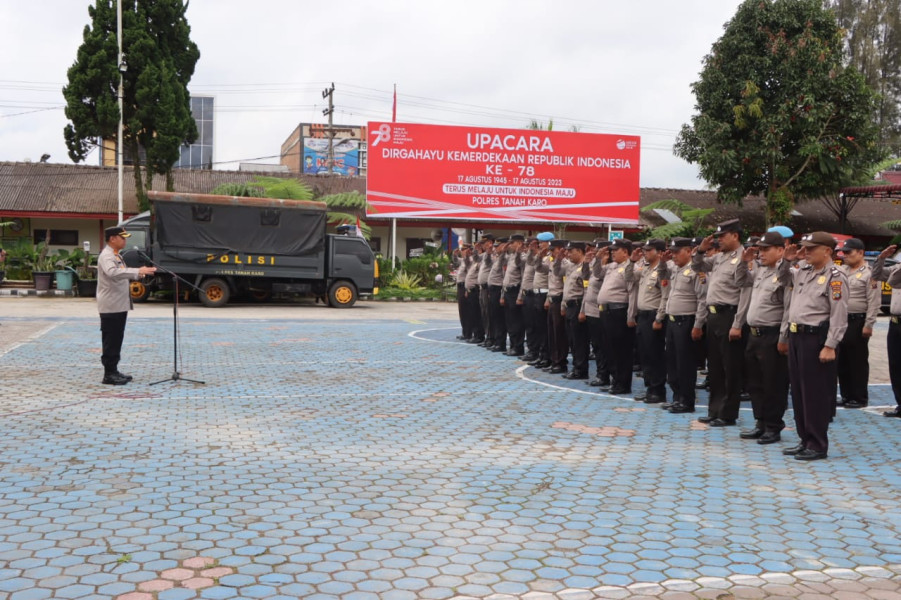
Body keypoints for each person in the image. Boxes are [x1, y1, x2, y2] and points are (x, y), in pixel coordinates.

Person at [783, 232, 848, 461]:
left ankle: (818, 444)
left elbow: (839, 314)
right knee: (799, 393)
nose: (806, 252)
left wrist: (830, 345)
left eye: (812, 248)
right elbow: (782, 279)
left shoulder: (835, 276)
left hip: (816, 340)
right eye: (805, 248)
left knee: (815, 394)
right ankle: (805, 440)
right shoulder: (802, 271)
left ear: (827, 251)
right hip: (796, 337)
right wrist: (788, 260)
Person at [693, 220, 751, 427]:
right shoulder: (719, 258)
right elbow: (697, 265)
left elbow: (745, 293)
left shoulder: (745, 258)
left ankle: (727, 414)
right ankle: (714, 410)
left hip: (730, 315)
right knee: (715, 367)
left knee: (730, 367)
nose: (719, 241)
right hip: (714, 316)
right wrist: (700, 250)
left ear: (735, 236)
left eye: (722, 237)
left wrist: (738, 323)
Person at [739, 231, 791, 444]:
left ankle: (773, 426)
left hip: (772, 335)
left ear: (780, 251)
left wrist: (783, 337)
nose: (761, 253)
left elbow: (788, 308)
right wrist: (743, 263)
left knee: (773, 384)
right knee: (755, 383)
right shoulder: (760, 271)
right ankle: (760, 422)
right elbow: (740, 281)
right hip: (754, 335)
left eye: (766, 249)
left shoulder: (787, 273)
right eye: (760, 249)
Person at [97, 226, 156, 385]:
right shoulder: (106, 256)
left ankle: (114, 370)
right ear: (112, 239)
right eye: (122, 237)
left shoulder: (117, 255)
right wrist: (137, 271)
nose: (125, 240)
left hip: (118, 304)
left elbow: (121, 273)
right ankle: (108, 374)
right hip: (111, 306)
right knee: (111, 339)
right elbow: (113, 273)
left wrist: (137, 275)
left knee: (117, 338)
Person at [660, 237, 708, 413]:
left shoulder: (697, 271)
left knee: (685, 364)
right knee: (671, 362)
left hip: (686, 321)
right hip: (672, 321)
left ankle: (687, 401)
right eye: (671, 252)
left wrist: (698, 325)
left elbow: (702, 300)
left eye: (676, 252)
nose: (673, 256)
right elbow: (661, 276)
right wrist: (663, 262)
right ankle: (677, 397)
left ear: (689, 251)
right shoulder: (674, 269)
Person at [836, 238, 880, 409]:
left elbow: (874, 301)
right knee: (843, 360)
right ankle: (846, 395)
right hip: (841, 320)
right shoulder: (842, 271)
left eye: (849, 252)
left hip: (857, 320)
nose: (845, 256)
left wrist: (869, 324)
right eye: (844, 253)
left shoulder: (870, 273)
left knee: (857, 361)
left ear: (861, 252)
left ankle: (859, 397)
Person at [595, 239, 637, 394]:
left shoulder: (630, 268)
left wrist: (631, 315)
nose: (612, 253)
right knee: (609, 349)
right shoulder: (612, 266)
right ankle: (615, 380)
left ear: (625, 252)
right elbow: (597, 274)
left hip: (619, 311)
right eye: (611, 250)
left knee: (621, 350)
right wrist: (599, 259)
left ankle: (623, 383)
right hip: (606, 311)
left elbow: (632, 293)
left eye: (615, 250)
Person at [630, 239, 668, 403]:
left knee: (655, 355)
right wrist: (631, 261)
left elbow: (665, 296)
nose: (645, 253)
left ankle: (658, 390)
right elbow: (629, 277)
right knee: (645, 354)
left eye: (649, 250)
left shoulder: (663, 270)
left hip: (654, 316)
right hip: (643, 315)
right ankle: (649, 388)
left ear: (659, 252)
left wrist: (659, 318)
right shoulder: (644, 268)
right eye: (644, 250)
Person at [871, 244, 901, 418]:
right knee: (896, 365)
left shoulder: (897, 271)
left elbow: (893, 281)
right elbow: (875, 276)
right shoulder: (896, 268)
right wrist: (881, 259)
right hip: (895, 322)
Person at [559, 241, 590, 379]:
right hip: (570, 305)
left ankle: (581, 370)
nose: (568, 254)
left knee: (580, 341)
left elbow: (586, 291)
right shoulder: (572, 267)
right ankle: (576, 367)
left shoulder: (585, 268)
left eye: (571, 251)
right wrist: (564, 305)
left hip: (578, 305)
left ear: (579, 251)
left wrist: (583, 310)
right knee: (572, 340)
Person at [583, 241, 612, 387]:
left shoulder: (608, 267)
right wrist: (587, 262)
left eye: (599, 249)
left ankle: (604, 375)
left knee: (603, 346)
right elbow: (585, 279)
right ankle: (601, 374)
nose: (595, 251)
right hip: (591, 310)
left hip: (601, 312)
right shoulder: (596, 264)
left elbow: (599, 275)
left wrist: (600, 261)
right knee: (596, 346)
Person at [542, 239, 569, 374]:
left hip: (559, 300)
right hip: (552, 300)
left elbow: (566, 287)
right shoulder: (552, 263)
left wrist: (563, 305)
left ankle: (560, 362)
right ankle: (554, 361)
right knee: (551, 333)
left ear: (561, 249)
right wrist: (548, 299)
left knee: (559, 334)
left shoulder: (566, 264)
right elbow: (550, 284)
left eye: (554, 249)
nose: (551, 252)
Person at [528, 232, 554, 369]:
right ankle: (541, 355)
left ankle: (546, 357)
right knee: (538, 328)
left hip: (545, 294)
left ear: (549, 243)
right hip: (537, 294)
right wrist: (537, 254)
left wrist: (548, 298)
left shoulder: (551, 258)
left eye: (542, 242)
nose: (540, 245)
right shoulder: (543, 257)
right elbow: (535, 266)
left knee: (545, 329)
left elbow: (552, 280)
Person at [501, 234, 526, 357]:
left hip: (515, 291)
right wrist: (504, 250)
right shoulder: (510, 257)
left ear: (520, 243)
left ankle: (518, 347)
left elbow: (523, 279)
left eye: (513, 243)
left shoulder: (522, 258)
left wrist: (520, 296)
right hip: (507, 291)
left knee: (517, 322)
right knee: (509, 321)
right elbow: (500, 263)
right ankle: (512, 345)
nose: (510, 245)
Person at [487, 238, 508, 352]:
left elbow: (504, 277)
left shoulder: (503, 259)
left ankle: (501, 343)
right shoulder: (497, 258)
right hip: (493, 289)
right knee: (494, 317)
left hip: (499, 289)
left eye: (498, 246)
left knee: (500, 319)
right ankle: (496, 340)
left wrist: (502, 295)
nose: (495, 248)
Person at [476, 234, 495, 348]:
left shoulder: (492, 255)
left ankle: (491, 337)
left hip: (488, 288)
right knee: (484, 314)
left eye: (485, 243)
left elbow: (488, 262)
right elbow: (475, 258)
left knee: (489, 314)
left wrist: (488, 252)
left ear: (490, 243)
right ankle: (488, 336)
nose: (483, 245)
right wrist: (476, 250)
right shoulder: (484, 255)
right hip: (482, 288)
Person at [463, 243, 484, 344]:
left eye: (479, 251)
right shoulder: (473, 262)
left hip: (476, 290)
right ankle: (476, 334)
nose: (477, 253)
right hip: (470, 290)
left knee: (477, 314)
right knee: (472, 314)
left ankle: (479, 335)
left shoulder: (481, 262)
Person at [452, 244, 471, 340]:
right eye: (462, 250)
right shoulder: (463, 260)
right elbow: (456, 261)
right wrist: (455, 255)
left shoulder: (469, 260)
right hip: (460, 287)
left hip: (465, 286)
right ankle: (465, 332)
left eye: (464, 249)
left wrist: (467, 289)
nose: (462, 251)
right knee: (462, 311)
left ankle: (468, 333)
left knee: (466, 311)